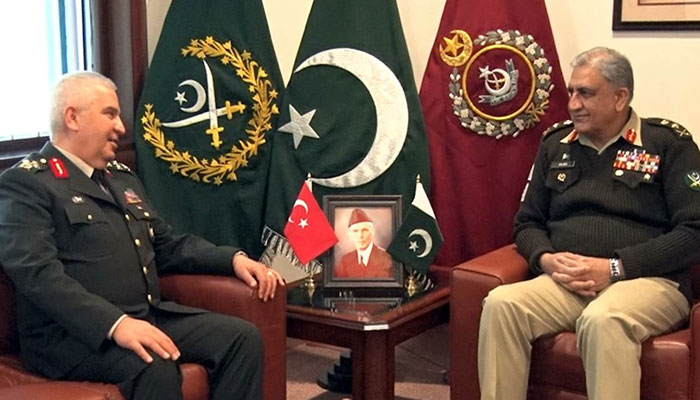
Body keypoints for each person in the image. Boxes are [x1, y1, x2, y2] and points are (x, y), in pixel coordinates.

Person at [0, 71, 285, 400]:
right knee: (154, 361)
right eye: (110, 113)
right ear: (72, 117)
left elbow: (165, 244)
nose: (121, 126)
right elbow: (37, 275)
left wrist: (231, 259)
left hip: (143, 317)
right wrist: (115, 324)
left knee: (240, 338)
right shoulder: (26, 184)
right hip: (70, 338)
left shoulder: (121, 177)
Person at [478, 47, 700, 400]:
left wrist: (615, 267)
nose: (574, 104)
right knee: (502, 304)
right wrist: (546, 259)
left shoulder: (668, 144)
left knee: (603, 320)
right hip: (567, 280)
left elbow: (694, 233)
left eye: (586, 93)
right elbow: (527, 223)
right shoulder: (556, 144)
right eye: (571, 92)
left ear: (619, 97)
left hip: (647, 280)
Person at [334, 208, 393, 278]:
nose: (360, 235)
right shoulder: (345, 261)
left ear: (373, 232)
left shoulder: (386, 259)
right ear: (349, 235)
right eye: (355, 231)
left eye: (364, 230)